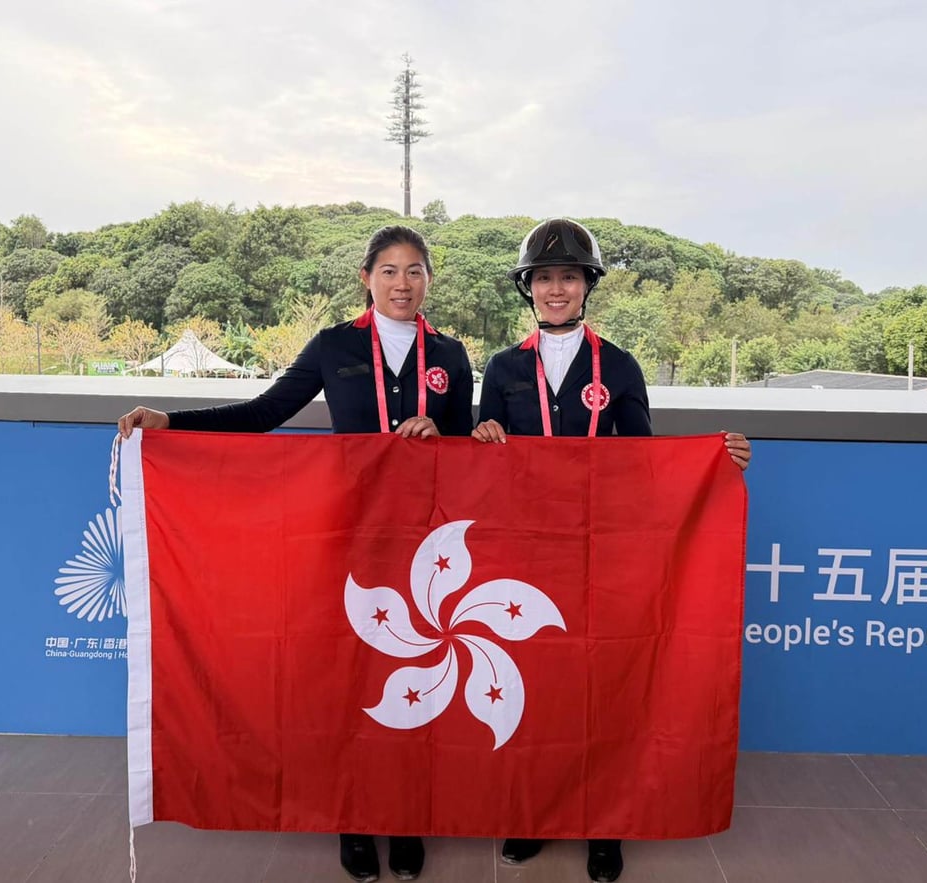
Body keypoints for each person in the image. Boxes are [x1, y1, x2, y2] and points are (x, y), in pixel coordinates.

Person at [119, 225, 474, 883]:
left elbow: (469, 452)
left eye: (415, 271)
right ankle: (355, 819)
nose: (403, 283)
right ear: (366, 278)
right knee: (348, 681)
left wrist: (441, 435)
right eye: (390, 270)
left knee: (414, 681)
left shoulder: (451, 355)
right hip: (346, 537)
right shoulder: (335, 345)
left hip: (423, 547)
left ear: (430, 279)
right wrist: (174, 423)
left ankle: (405, 815)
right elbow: (264, 412)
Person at [471, 218, 751, 882]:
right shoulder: (505, 368)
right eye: (544, 278)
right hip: (528, 556)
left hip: (603, 555)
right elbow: (480, 465)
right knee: (534, 687)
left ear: (587, 284)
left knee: (601, 690)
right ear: (527, 288)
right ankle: (531, 812)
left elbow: (647, 464)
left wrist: (717, 458)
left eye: (569, 276)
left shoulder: (619, 365)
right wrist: (483, 436)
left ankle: (603, 822)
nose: (557, 288)